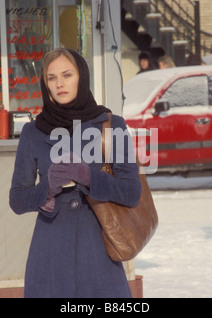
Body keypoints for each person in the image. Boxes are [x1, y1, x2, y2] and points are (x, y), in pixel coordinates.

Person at [9, 48, 142, 297]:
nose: (59, 83)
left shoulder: (111, 125)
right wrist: (47, 188)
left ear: (81, 76)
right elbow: (17, 199)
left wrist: (89, 177)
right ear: (45, 84)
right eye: (51, 78)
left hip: (99, 255)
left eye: (67, 75)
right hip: (49, 256)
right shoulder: (33, 132)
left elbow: (132, 192)